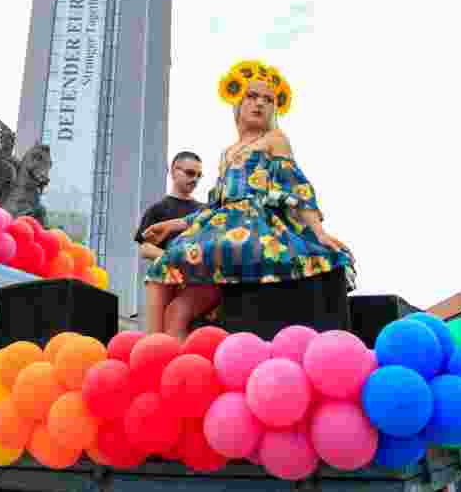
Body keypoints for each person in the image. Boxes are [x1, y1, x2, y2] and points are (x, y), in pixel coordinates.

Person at [142, 60, 356, 340]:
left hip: (253, 233)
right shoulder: (227, 152)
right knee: (172, 302)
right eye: (252, 96)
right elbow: (214, 206)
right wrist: (171, 225)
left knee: (169, 269)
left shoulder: (275, 139)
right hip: (219, 232)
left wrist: (319, 232)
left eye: (268, 100)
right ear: (238, 103)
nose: (259, 104)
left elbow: (298, 188)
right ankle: (155, 362)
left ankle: (160, 360)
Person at [134, 151, 206, 332]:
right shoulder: (157, 210)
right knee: (159, 336)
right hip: (164, 284)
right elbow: (144, 248)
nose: (195, 179)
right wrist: (173, 258)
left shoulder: (203, 211)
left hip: (196, 284)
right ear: (174, 171)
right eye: (190, 173)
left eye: (199, 175)